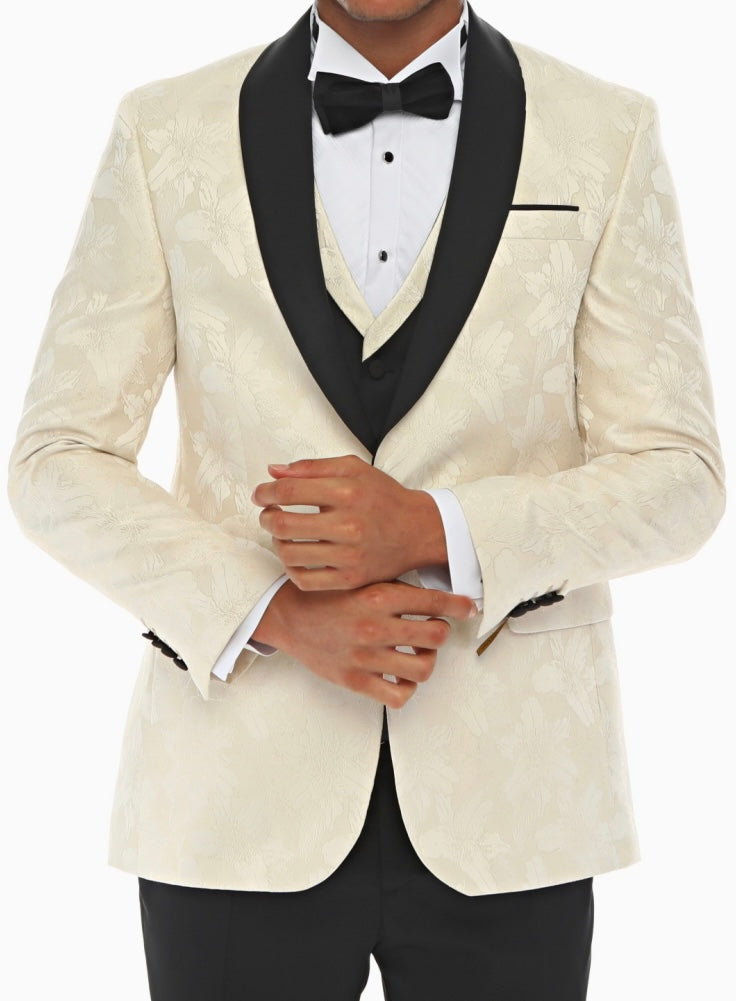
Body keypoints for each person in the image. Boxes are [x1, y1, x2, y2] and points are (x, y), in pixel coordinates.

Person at [6, 0, 726, 998]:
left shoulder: (606, 131)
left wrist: (431, 528)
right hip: (232, 804)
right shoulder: (162, 130)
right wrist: (274, 612)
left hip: (514, 806)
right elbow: (56, 457)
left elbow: (681, 474)